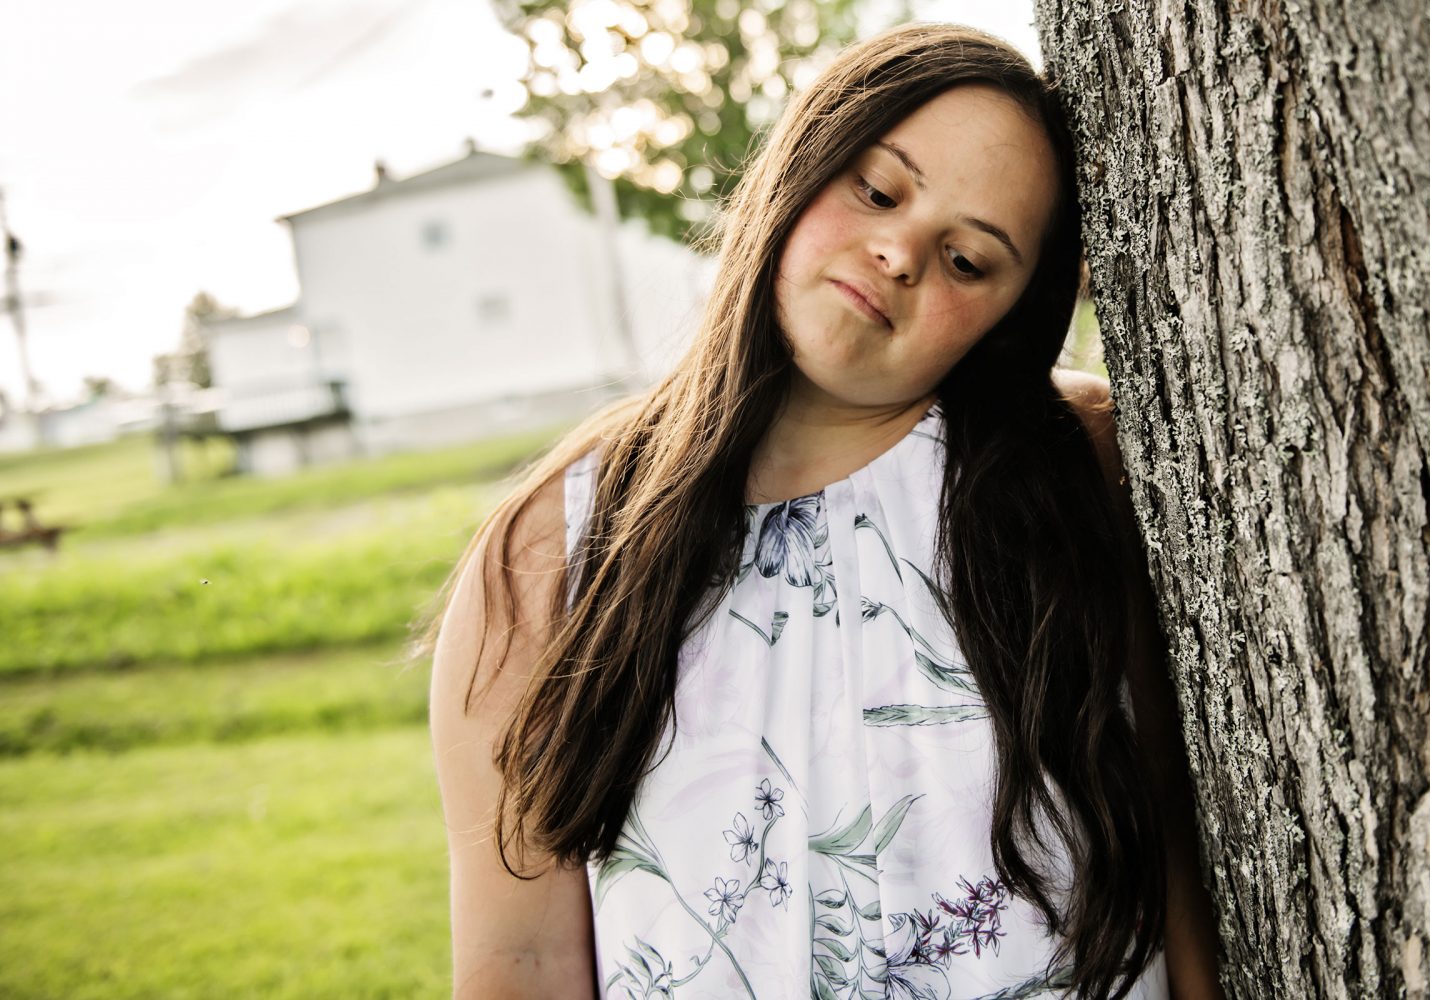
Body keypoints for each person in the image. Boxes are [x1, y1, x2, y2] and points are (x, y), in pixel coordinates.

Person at [426, 22, 1225, 1000]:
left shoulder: (1083, 475)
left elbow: (1176, 851)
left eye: (968, 260)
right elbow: (521, 961)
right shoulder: (555, 548)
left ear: (1008, 317)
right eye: (878, 190)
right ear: (801, 167)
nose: (897, 252)